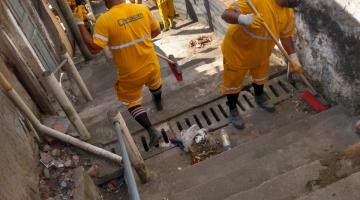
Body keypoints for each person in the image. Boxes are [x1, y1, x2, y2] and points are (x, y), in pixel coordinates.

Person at [74, 0, 163, 147]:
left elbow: (94, 48)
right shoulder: (142, 8)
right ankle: (159, 103)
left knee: (132, 102)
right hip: (151, 63)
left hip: (131, 73)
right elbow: (156, 31)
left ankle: (152, 130)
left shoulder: (104, 20)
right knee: (155, 83)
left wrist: (80, 23)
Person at [221, 0, 303, 129]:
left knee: (261, 78)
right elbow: (226, 14)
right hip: (238, 52)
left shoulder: (287, 12)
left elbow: (286, 36)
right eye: (289, 3)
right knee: (233, 84)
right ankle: (232, 110)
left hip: (261, 53)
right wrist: (242, 18)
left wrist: (294, 58)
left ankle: (260, 97)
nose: (288, 6)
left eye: (292, 5)